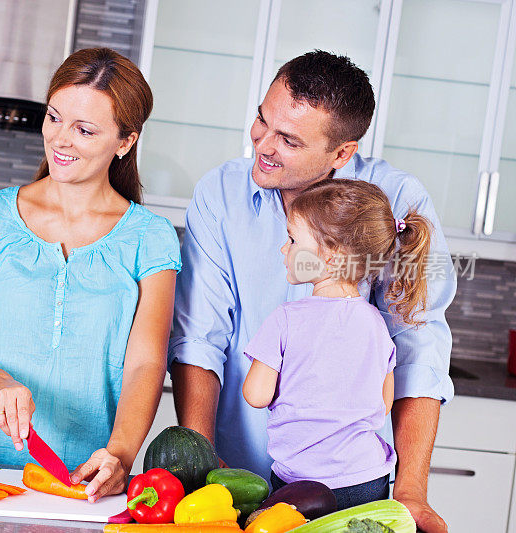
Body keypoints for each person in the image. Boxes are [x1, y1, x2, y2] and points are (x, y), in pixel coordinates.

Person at [169, 50, 454, 532]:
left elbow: (417, 348)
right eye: (262, 120)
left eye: (289, 140)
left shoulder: (398, 200)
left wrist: (410, 490)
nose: (263, 144)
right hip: (237, 472)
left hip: (349, 483)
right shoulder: (219, 194)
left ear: (341, 153)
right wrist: (203, 472)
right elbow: (200, 337)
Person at [0, 47, 181, 501]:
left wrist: (120, 456)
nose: (60, 140)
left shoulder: (150, 237)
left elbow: (146, 363)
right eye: (54, 118)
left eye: (84, 130)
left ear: (125, 141)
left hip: (82, 477)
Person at [243, 178, 434, 510]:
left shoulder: (286, 318)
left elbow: (256, 395)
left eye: (292, 239)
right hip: (366, 478)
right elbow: (383, 402)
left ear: (330, 255)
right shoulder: (376, 323)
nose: (283, 249)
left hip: (302, 482)